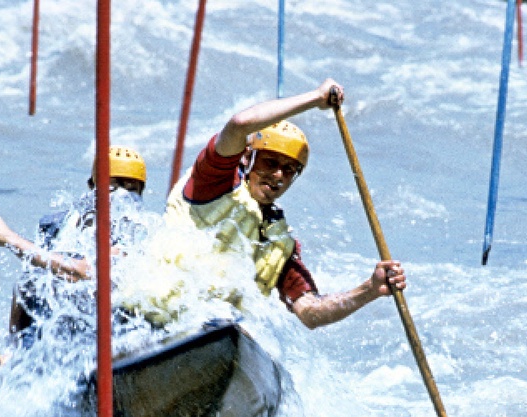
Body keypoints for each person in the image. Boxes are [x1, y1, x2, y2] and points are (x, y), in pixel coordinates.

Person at [163, 79, 406, 330]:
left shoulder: (279, 242)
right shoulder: (213, 181)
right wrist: (315, 98)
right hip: (158, 317)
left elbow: (311, 313)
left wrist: (370, 288)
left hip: (213, 330)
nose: (279, 175)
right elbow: (239, 125)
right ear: (248, 158)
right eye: (270, 163)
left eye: (289, 170)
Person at [0, 145, 147, 347]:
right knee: (31, 282)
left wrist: (9, 238)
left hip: (111, 332)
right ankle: (16, 353)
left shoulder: (135, 230)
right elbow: (27, 285)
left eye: (131, 189)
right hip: (55, 331)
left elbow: (86, 272)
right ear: (93, 187)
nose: (122, 195)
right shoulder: (61, 225)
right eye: (115, 185)